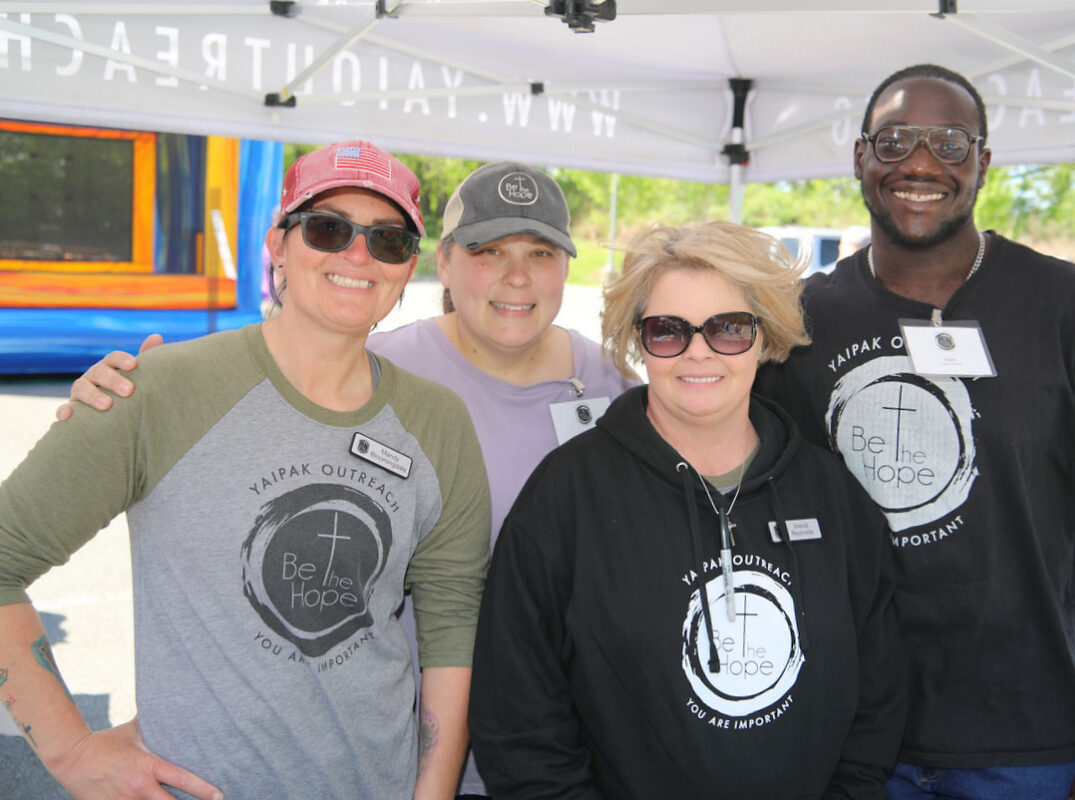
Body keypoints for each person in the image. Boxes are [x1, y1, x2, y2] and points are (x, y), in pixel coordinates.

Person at [53, 159, 638, 798]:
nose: (516, 275)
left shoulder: (617, 387)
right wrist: (137, 395)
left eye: (541, 252)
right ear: (441, 264)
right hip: (408, 754)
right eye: (488, 250)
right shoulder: (374, 368)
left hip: (564, 748)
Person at [0, 140, 491, 800]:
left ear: (407, 271)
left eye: (388, 240)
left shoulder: (437, 421)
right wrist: (72, 751)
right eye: (328, 228)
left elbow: (451, 629)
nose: (357, 255)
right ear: (278, 246)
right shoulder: (158, 391)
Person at [755, 64, 1075, 800]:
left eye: (948, 142)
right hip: (850, 732)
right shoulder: (799, 323)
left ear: (982, 163)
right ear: (860, 158)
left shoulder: (1070, 307)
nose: (919, 162)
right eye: (892, 141)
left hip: (1024, 739)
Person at [469, 221, 905, 799]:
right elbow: (519, 717)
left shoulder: (831, 494)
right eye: (667, 331)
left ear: (766, 336)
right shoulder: (567, 495)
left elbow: (878, 698)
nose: (698, 351)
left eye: (728, 328)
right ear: (637, 339)